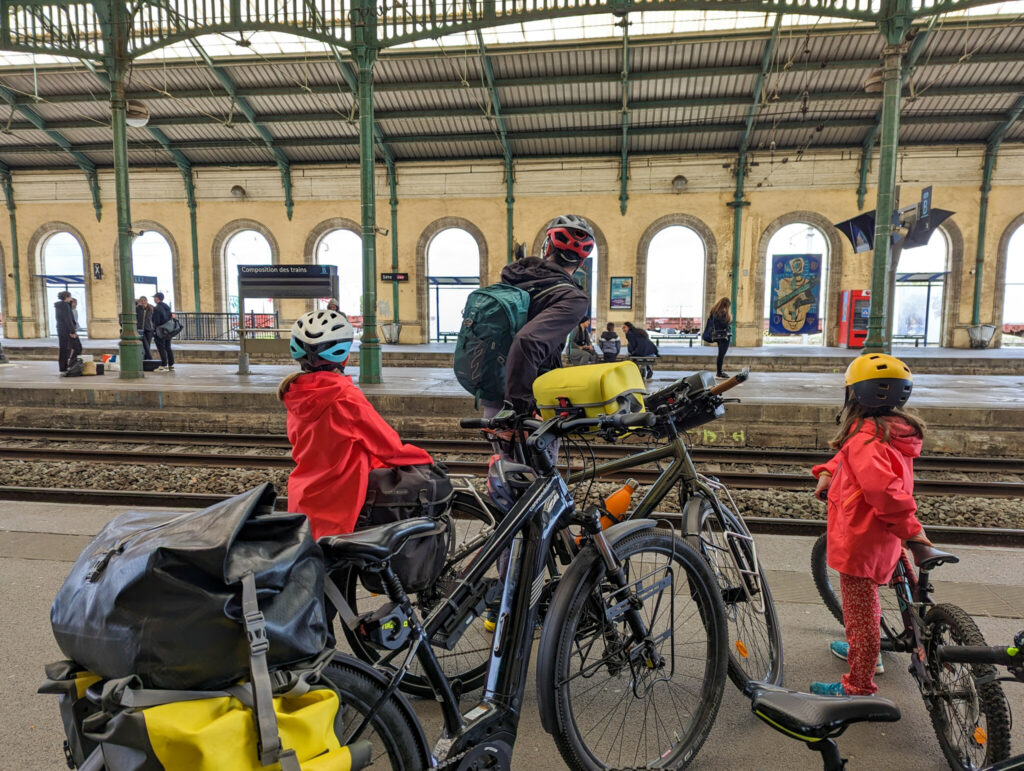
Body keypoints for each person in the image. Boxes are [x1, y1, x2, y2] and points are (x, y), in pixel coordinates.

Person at [809, 353, 930, 697]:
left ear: (854, 395)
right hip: (884, 534)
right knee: (893, 585)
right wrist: (830, 471)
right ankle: (878, 645)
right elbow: (853, 457)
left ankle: (859, 682)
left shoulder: (863, 438)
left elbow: (883, 490)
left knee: (861, 614)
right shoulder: (891, 430)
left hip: (861, 537)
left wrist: (912, 528)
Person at [278, 309, 433, 538]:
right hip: (337, 504)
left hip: (303, 497)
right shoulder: (344, 397)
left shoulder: (294, 393)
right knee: (336, 567)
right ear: (344, 356)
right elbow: (388, 447)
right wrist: (424, 458)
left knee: (313, 567)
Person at [484, 214, 593, 416]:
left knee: (500, 449)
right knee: (538, 448)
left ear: (547, 247)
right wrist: (520, 410)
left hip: (494, 391)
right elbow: (527, 341)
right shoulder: (572, 298)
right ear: (581, 262)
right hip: (527, 398)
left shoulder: (515, 278)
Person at [703, 297, 733, 379]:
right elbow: (723, 324)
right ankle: (719, 373)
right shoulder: (723, 313)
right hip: (724, 337)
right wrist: (729, 320)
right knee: (721, 355)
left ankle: (719, 372)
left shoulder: (714, 311)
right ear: (726, 305)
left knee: (720, 354)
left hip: (716, 336)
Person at [152, 292, 175, 372]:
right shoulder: (166, 306)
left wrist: (154, 330)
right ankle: (171, 365)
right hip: (168, 330)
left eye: (154, 297)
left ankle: (164, 365)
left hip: (161, 330)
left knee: (161, 347)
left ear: (157, 298)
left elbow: (157, 321)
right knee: (168, 347)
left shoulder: (157, 308)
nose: (154, 299)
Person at [54, 290, 76, 374]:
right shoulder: (65, 306)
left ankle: (63, 367)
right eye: (69, 297)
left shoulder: (59, 306)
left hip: (61, 328)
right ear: (67, 297)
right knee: (73, 347)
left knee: (63, 348)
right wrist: (72, 331)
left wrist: (69, 304)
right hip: (66, 329)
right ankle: (70, 365)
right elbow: (68, 319)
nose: (71, 298)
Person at [68, 297, 84, 363]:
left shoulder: (75, 311)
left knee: (77, 347)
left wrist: (78, 328)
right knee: (77, 347)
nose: (76, 305)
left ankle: (73, 361)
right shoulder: (70, 311)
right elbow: (71, 321)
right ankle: (73, 361)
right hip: (71, 332)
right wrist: (72, 332)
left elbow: (75, 321)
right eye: (74, 303)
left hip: (74, 331)